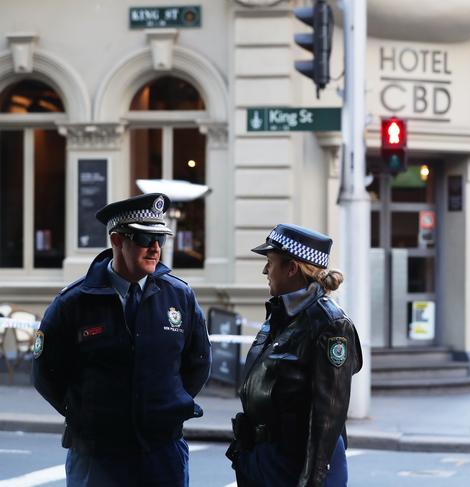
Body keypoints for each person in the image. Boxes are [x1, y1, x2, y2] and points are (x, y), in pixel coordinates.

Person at [32, 193, 211, 487]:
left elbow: (198, 363)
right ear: (117, 240)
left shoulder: (179, 297)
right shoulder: (74, 303)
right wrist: (87, 413)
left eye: (161, 239)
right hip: (97, 455)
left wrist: (163, 409)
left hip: (161, 453)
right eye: (144, 239)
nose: (155, 249)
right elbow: (46, 374)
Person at [226, 223, 363, 487]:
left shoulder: (330, 324)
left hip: (295, 463)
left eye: (270, 262)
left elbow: (328, 413)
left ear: (292, 268)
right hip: (265, 458)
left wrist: (312, 480)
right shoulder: (281, 313)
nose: (265, 270)